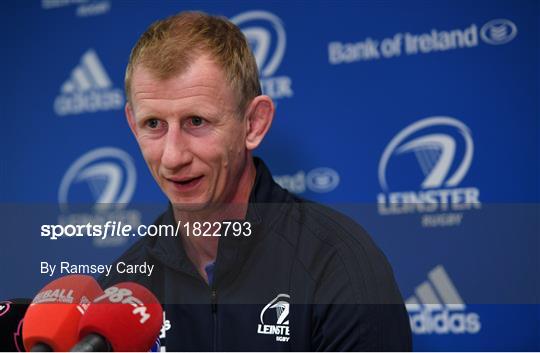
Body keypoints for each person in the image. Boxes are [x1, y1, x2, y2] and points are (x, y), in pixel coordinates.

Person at [101, 11, 412, 351]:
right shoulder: (122, 289)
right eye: (154, 125)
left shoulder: (337, 265)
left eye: (196, 121)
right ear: (133, 125)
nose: (173, 157)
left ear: (253, 124)